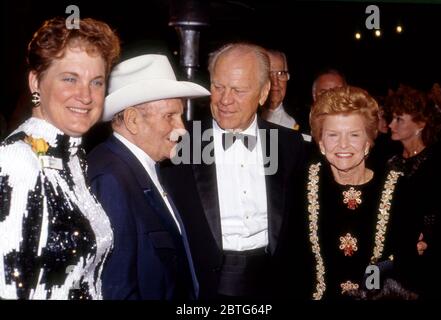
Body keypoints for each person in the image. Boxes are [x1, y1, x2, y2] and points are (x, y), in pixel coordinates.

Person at [161, 42, 307, 300]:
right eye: (218, 87)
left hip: (274, 285)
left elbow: (298, 228)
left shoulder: (289, 144)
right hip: (203, 288)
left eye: (239, 90)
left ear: (263, 93)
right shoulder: (181, 145)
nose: (225, 100)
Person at [0, 17, 120, 299]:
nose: (86, 96)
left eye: (97, 82)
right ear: (35, 82)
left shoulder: (73, 160)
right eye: (70, 79)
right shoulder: (17, 161)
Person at [87, 54, 210, 300]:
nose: (182, 129)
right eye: (170, 116)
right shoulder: (111, 178)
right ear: (133, 120)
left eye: (180, 115)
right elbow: (117, 287)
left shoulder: (145, 166)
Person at [305, 86, 406, 300]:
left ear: (368, 141)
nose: (343, 144)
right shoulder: (301, 184)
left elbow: (404, 263)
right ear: (321, 142)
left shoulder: (399, 188)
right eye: (333, 135)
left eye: (354, 134)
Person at [385, 87, 441, 299]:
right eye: (392, 118)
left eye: (399, 119)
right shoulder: (387, 160)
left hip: (426, 261)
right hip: (389, 258)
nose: (390, 125)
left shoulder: (438, 165)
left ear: (420, 124)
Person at [261, 50, 298, 130]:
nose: (275, 82)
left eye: (281, 73)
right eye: (269, 73)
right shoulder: (245, 115)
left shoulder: (299, 120)